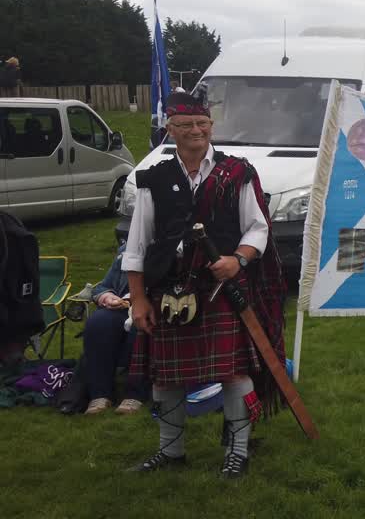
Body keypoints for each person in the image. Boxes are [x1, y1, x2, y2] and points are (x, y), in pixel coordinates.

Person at [123, 90, 286, 478]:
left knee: (234, 371)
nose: (195, 130)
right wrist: (138, 299)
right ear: (170, 129)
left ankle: (238, 452)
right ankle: (171, 452)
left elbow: (258, 228)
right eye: (185, 124)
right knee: (166, 375)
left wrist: (238, 259)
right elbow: (137, 244)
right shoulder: (153, 178)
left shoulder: (237, 172)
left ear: (211, 126)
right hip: (169, 288)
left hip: (218, 289)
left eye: (202, 123)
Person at [81, 247, 150, 415]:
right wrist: (106, 297)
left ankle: (135, 394)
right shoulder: (128, 250)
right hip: (122, 306)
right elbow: (103, 286)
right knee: (98, 322)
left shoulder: (171, 248)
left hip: (152, 306)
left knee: (138, 326)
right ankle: (100, 394)